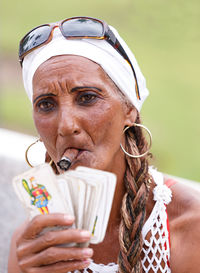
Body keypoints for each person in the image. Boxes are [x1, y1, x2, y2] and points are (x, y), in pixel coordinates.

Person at [8, 16, 200, 273]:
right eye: (46, 104)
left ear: (129, 109)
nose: (65, 125)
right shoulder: (36, 244)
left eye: (87, 98)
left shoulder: (189, 227)